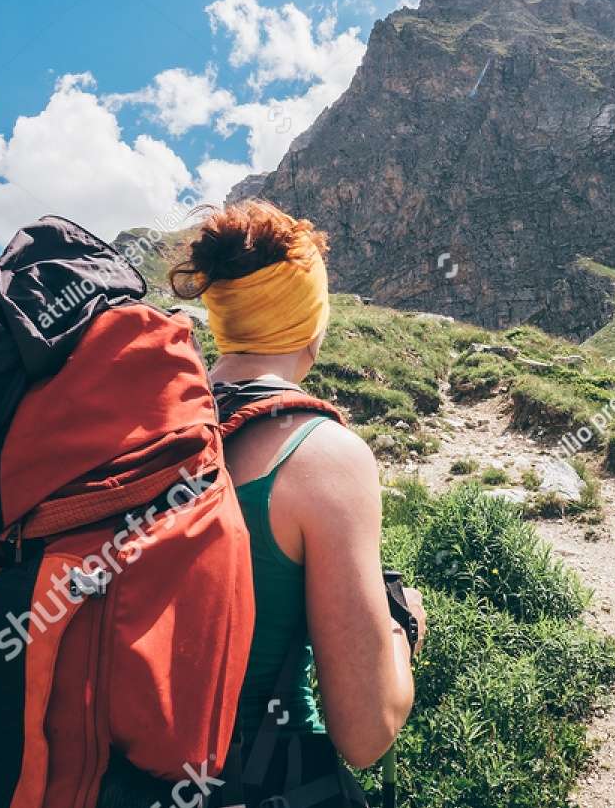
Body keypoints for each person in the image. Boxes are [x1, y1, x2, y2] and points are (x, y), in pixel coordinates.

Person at [177, 199, 424, 804]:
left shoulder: (148, 424)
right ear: (312, 324)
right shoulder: (324, 455)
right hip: (258, 779)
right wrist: (402, 630)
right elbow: (366, 736)